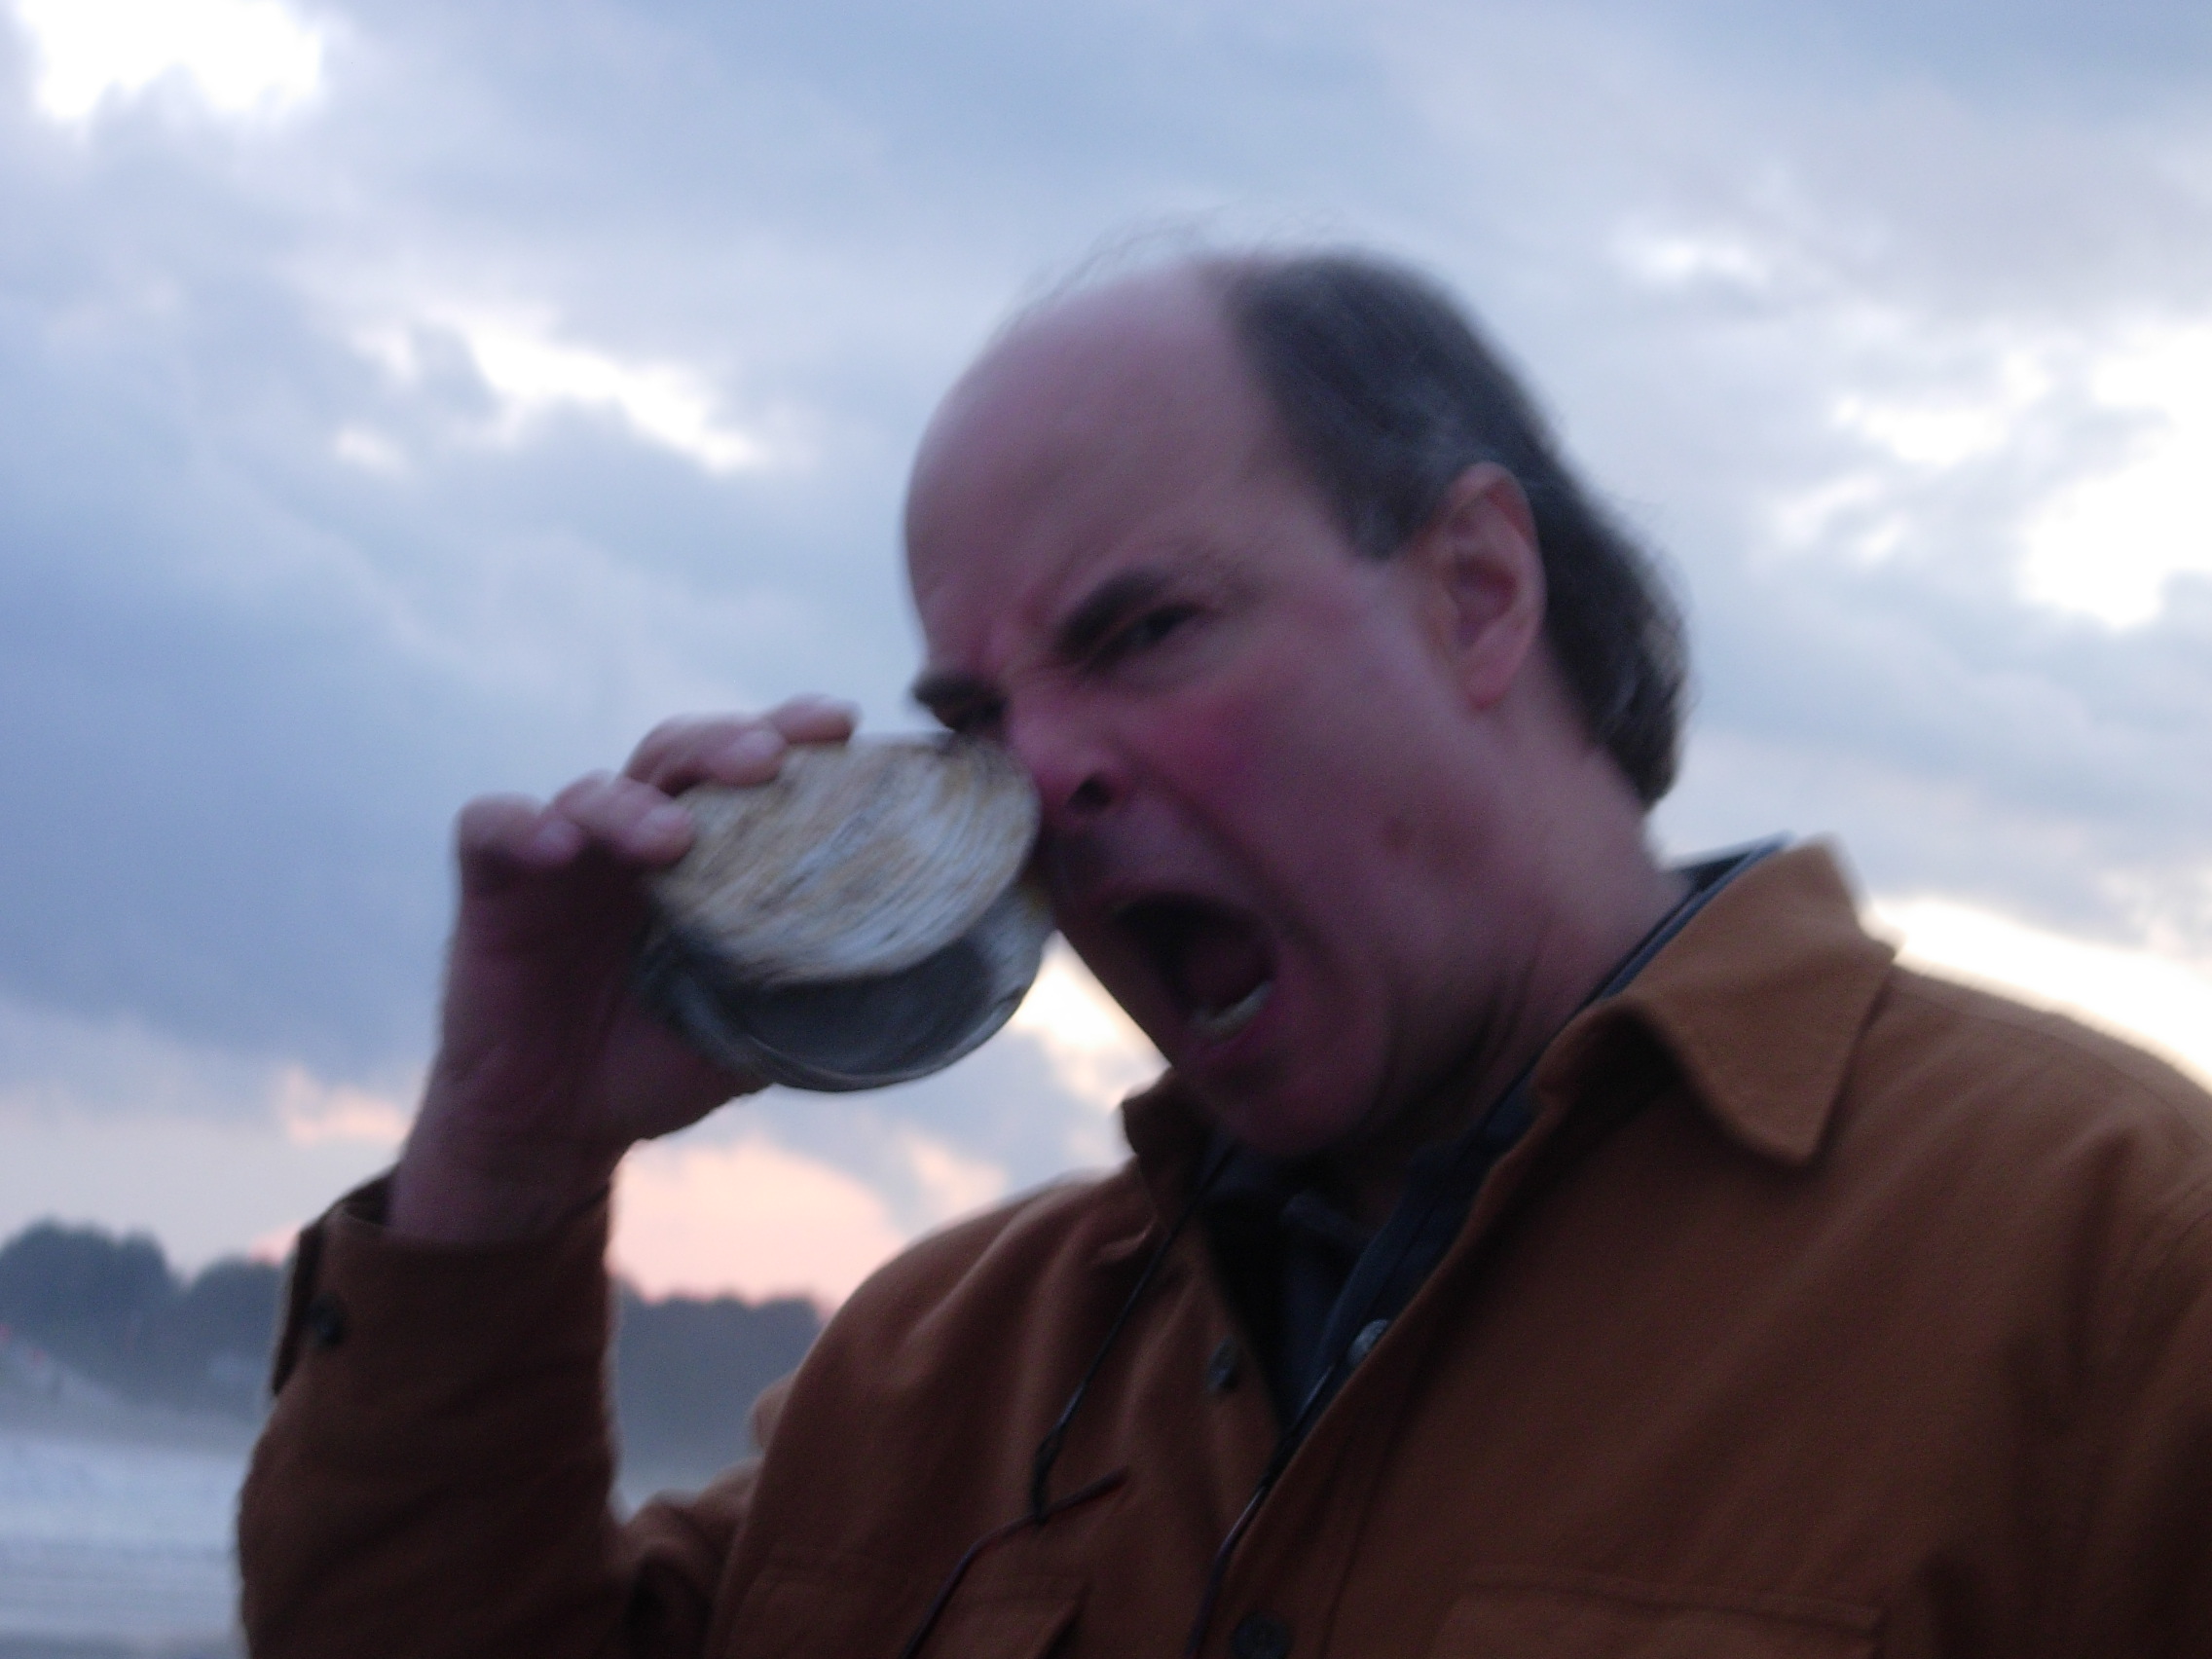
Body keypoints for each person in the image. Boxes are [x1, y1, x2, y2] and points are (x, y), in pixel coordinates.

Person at [238, 252, 2212, 1658]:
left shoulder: (2120, 1274)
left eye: (1137, 632)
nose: (1039, 779)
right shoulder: (934, 1379)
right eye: (978, 715)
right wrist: (502, 1154)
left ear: (1473, 592)